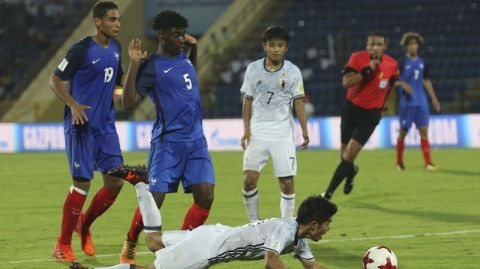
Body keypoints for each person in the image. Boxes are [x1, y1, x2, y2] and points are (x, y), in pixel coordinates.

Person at [71, 167, 336, 269]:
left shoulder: (298, 237)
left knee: (153, 241)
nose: (327, 228)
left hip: (214, 233)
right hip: (207, 250)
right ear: (314, 224)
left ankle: (141, 184)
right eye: (326, 224)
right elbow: (271, 262)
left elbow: (313, 268)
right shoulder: (284, 229)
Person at [119, 10, 215, 264]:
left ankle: (182, 250)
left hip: (196, 141)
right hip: (168, 144)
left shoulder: (184, 58)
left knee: (206, 197)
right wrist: (135, 64)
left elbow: (190, 77)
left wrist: (195, 49)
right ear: (161, 35)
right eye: (176, 34)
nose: (181, 38)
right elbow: (128, 102)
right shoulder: (150, 66)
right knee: (155, 202)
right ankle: (130, 240)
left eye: (183, 33)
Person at [48, 1, 125, 262]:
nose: (117, 24)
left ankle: (85, 224)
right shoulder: (81, 49)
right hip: (82, 125)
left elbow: (119, 81)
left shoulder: (116, 47)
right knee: (82, 184)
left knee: (115, 183)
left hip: (106, 126)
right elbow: (55, 79)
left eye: (118, 20)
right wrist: (72, 104)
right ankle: (61, 245)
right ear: (98, 21)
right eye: (112, 20)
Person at [240, 26, 309, 222]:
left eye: (280, 45)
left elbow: (298, 101)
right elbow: (248, 100)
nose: (275, 49)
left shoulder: (293, 71)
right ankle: (254, 224)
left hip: (282, 133)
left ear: (286, 47)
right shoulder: (253, 69)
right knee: (249, 180)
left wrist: (304, 131)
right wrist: (246, 130)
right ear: (264, 46)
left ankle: (287, 225)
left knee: (286, 182)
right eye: (272, 45)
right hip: (258, 131)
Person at [323, 32, 399, 200]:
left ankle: (327, 194)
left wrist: (385, 108)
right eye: (372, 44)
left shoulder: (392, 65)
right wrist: (367, 71)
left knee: (349, 155)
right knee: (344, 157)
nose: (375, 48)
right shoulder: (357, 58)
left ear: (385, 46)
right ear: (366, 45)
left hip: (370, 116)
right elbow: (346, 83)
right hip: (351, 110)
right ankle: (351, 173)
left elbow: (391, 87)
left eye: (379, 44)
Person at [395, 32, 441, 171]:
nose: (413, 47)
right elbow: (392, 81)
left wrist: (434, 98)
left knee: (424, 132)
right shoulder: (401, 62)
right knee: (403, 132)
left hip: (421, 102)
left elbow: (426, 80)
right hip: (407, 103)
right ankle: (399, 163)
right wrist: (402, 84)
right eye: (410, 44)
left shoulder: (422, 62)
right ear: (406, 47)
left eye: (415, 44)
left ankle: (428, 163)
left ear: (418, 46)